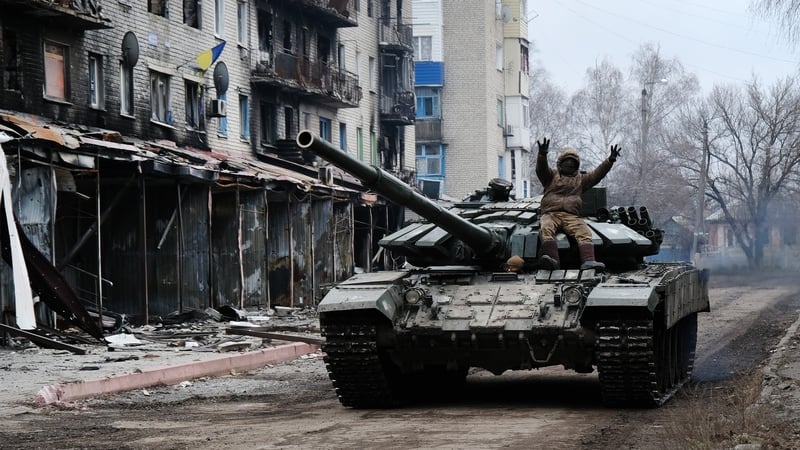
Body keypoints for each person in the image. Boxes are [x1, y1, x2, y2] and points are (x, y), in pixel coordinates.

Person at [535, 138, 621, 271]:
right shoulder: (551, 176)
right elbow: (541, 169)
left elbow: (597, 174)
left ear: (577, 165)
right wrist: (542, 155)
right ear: (560, 163)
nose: (569, 165)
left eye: (572, 163)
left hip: (571, 215)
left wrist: (609, 161)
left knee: (584, 231)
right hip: (551, 213)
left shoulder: (581, 180)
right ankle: (552, 260)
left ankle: (588, 260)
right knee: (546, 228)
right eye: (566, 162)